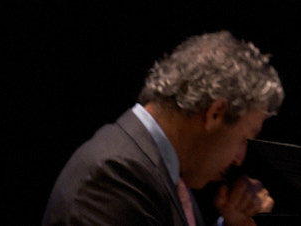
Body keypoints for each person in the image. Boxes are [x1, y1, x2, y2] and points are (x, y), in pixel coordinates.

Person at [42, 30, 285, 226]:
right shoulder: (115, 175)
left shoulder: (160, 168)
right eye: (245, 138)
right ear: (215, 113)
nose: (239, 159)